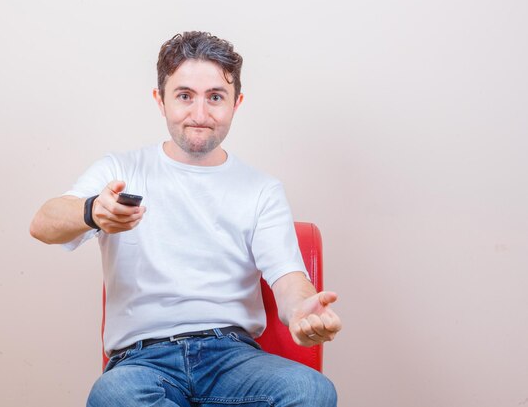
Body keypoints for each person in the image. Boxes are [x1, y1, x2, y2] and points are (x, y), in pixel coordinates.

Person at [30, 31, 342, 407]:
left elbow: (290, 280)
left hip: (233, 358)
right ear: (160, 101)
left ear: (236, 103)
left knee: (311, 391)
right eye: (184, 96)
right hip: (142, 361)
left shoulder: (262, 190)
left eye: (215, 97)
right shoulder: (121, 169)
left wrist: (303, 310)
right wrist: (91, 210)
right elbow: (43, 224)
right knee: (112, 396)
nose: (200, 114)